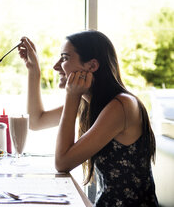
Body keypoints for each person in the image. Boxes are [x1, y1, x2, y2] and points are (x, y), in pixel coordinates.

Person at [18, 30, 158, 206]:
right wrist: (33, 70)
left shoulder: (122, 106)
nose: (56, 66)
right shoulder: (91, 103)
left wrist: (71, 97)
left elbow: (62, 162)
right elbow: (36, 121)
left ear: (92, 66)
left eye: (65, 58)